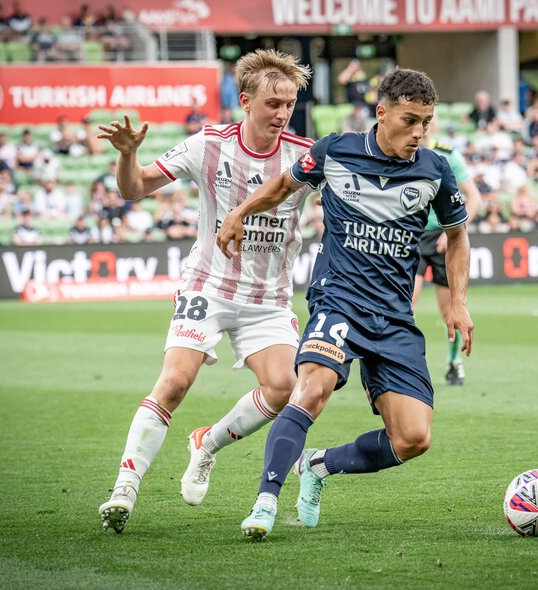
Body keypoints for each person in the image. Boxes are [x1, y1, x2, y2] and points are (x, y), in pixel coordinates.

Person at [216, 68, 473, 540]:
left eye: (427, 122)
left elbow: (458, 236)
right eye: (410, 120)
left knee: (413, 439)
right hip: (339, 300)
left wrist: (457, 302)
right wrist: (238, 212)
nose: (419, 132)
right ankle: (265, 502)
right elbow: (279, 188)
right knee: (311, 390)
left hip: (395, 317)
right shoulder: (336, 151)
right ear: (381, 113)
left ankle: (318, 465)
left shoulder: (435, 170)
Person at [96, 49, 314, 534]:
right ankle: (124, 490)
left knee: (284, 388)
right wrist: (128, 154)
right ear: (246, 101)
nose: (281, 114)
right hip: (208, 284)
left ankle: (207, 443)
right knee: (174, 382)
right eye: (272, 104)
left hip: (268, 298)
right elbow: (134, 189)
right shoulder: (209, 144)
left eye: (289, 105)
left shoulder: (305, 154)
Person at [413, 131, 480, 386]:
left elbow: (474, 196)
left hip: (443, 237)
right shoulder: (399, 150)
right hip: (413, 235)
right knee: (408, 305)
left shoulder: (447, 155)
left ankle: (454, 362)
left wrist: (455, 232)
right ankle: (407, 362)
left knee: (449, 311)